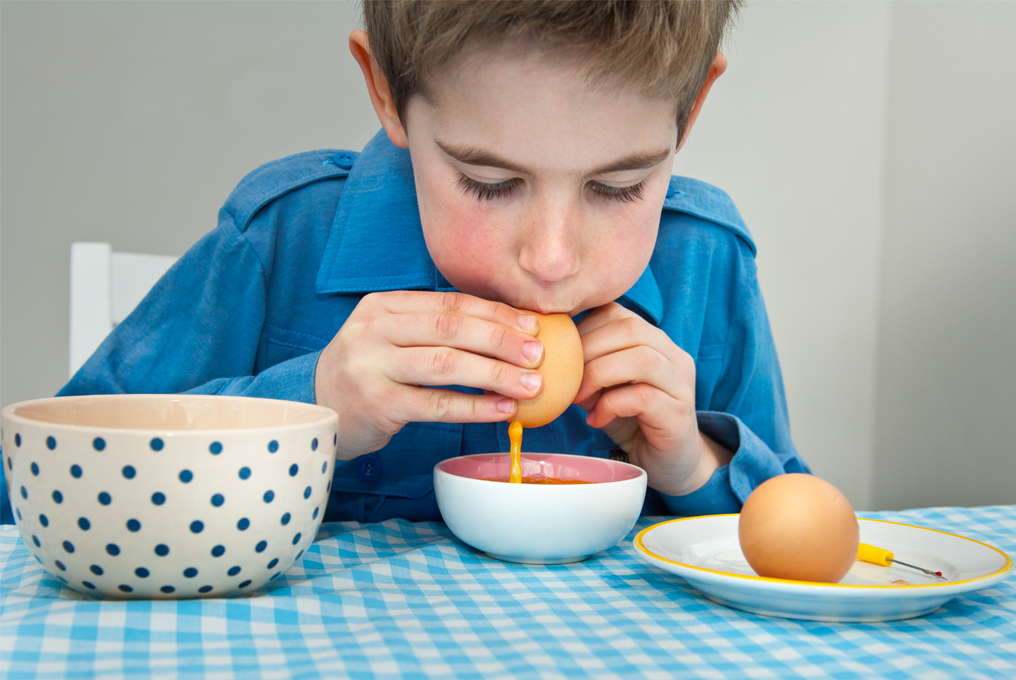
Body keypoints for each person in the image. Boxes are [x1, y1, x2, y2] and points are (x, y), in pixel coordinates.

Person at [2, 0, 808, 525]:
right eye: (488, 183)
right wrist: (305, 411)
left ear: (693, 108)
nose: (553, 260)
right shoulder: (283, 236)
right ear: (386, 91)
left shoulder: (708, 259)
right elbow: (25, 493)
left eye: (618, 186)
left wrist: (692, 462)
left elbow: (806, 538)